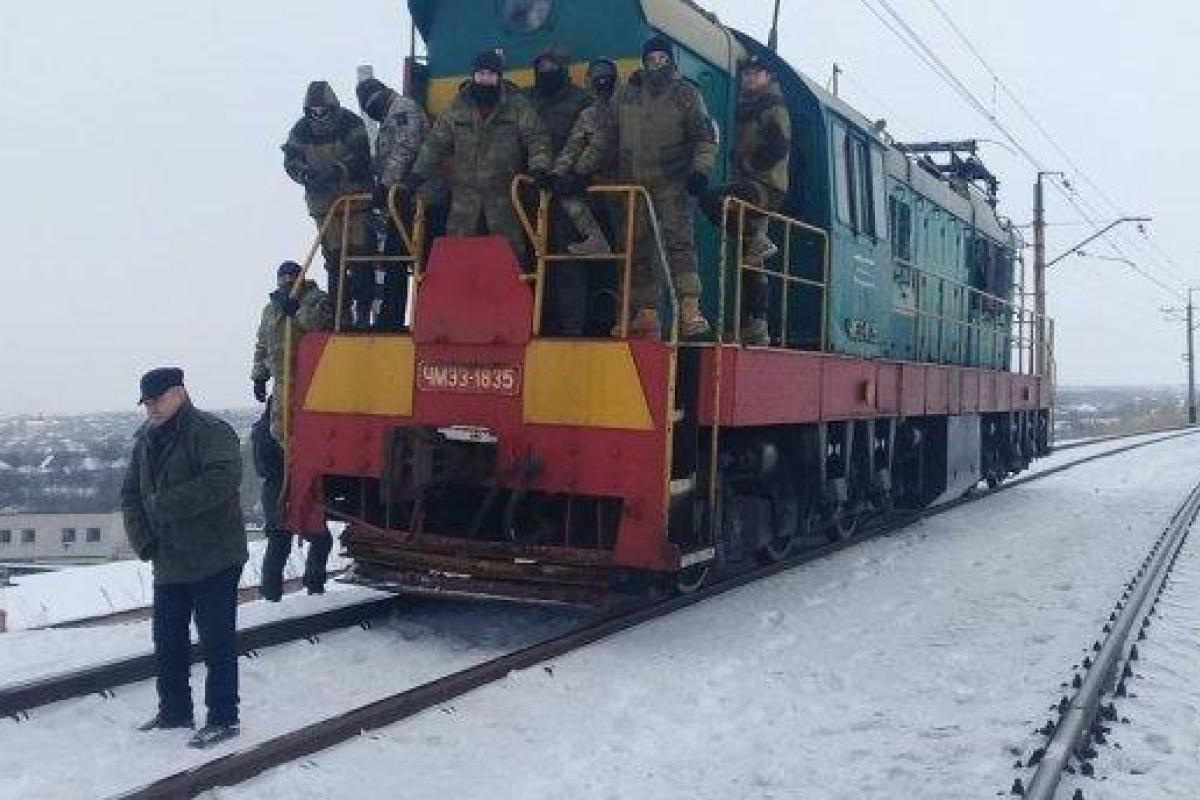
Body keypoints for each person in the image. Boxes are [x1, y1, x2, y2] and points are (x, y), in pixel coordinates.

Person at [120, 368, 248, 749]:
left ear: (180, 394)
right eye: (147, 403)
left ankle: (224, 716)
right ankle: (174, 710)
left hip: (215, 556)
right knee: (168, 640)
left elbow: (222, 481)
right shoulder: (145, 440)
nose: (152, 409)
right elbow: (130, 495)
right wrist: (144, 541)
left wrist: (164, 506)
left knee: (216, 641)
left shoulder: (210, 432)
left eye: (157, 400)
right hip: (169, 558)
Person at [411, 50, 552, 266]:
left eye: (491, 75)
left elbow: (537, 137)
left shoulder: (517, 107)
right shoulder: (456, 108)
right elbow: (435, 144)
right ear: (473, 75)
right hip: (464, 205)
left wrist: (539, 167)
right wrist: (417, 175)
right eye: (481, 74)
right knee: (459, 262)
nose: (485, 79)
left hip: (505, 201)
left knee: (510, 261)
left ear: (499, 77)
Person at [616, 35, 717, 338]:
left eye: (661, 58)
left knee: (679, 246)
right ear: (644, 63)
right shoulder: (630, 95)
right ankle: (646, 312)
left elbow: (704, 137)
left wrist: (700, 170)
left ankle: (689, 309)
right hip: (636, 185)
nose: (656, 64)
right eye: (651, 59)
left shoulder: (686, 94)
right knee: (637, 248)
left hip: (673, 183)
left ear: (670, 61)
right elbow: (612, 134)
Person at [249, 261, 334, 599]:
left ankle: (315, 585)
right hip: (282, 389)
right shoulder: (271, 308)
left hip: (312, 388)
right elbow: (262, 342)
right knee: (274, 457)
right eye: (283, 278)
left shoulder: (317, 300)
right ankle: (270, 594)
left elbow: (319, 328)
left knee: (305, 465)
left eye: (292, 277)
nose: (287, 282)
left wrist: (296, 309)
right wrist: (258, 373)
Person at [282, 81, 374, 327]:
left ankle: (363, 312)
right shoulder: (301, 131)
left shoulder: (350, 123)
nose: (318, 116)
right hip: (324, 208)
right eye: (313, 111)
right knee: (334, 261)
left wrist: (338, 171)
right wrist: (305, 175)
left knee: (361, 257)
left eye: (323, 110)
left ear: (333, 107)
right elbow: (290, 159)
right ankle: (339, 314)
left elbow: (361, 155)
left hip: (355, 203)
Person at [528, 47, 596, 335]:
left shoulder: (581, 101)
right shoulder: (525, 100)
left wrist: (577, 177)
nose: (546, 70)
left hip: (570, 194)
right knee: (528, 260)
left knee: (568, 260)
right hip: (530, 193)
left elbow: (592, 141)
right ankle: (530, 322)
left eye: (551, 65)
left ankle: (571, 328)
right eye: (541, 65)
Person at [728, 54, 793, 345]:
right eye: (747, 74)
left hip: (765, 187)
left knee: (753, 254)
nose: (749, 78)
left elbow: (779, 146)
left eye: (756, 73)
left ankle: (758, 322)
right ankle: (754, 323)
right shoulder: (746, 105)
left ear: (768, 77)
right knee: (750, 257)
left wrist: (749, 165)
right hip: (749, 183)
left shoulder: (772, 107)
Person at [356, 76, 430, 330]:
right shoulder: (390, 115)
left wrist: (386, 184)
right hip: (402, 201)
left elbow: (405, 148)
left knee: (409, 259)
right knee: (395, 259)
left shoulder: (402, 110)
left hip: (420, 199)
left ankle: (402, 318)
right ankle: (391, 318)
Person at [551, 57, 619, 257]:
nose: (602, 83)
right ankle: (595, 238)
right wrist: (556, 175)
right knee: (565, 194)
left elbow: (603, 145)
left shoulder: (627, 110)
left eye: (607, 78)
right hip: (599, 185)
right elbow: (573, 146)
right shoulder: (588, 114)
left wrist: (580, 172)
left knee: (634, 244)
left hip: (626, 178)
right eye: (598, 78)